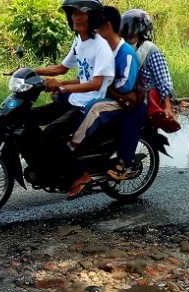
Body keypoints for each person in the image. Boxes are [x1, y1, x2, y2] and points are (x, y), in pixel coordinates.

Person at [29, 0, 114, 189]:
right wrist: (32, 71)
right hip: (75, 100)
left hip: (90, 104)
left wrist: (64, 88)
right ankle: (45, 165)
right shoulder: (79, 41)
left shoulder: (101, 46)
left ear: (92, 17)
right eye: (73, 13)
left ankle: (80, 174)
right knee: (28, 117)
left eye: (81, 13)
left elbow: (97, 83)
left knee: (51, 132)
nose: (75, 17)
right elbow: (62, 68)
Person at [66, 5, 144, 194]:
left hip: (126, 102)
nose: (93, 33)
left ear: (107, 27)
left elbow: (125, 85)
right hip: (108, 97)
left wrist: (104, 81)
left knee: (94, 107)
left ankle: (72, 147)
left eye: (96, 28)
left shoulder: (126, 53)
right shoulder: (100, 49)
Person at [110, 8, 177, 180]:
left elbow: (164, 80)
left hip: (142, 100)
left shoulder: (151, 51)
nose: (127, 34)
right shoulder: (119, 48)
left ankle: (123, 163)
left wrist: (168, 106)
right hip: (123, 95)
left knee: (130, 118)